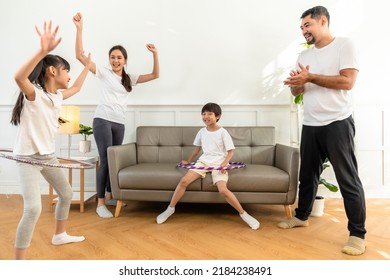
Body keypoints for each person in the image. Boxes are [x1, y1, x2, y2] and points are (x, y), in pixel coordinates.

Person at [281, 6, 366, 256]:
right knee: (307, 176)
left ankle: (357, 234)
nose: (304, 30)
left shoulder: (344, 45)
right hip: (311, 123)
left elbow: (347, 82)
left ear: (323, 21)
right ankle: (301, 216)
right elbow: (298, 91)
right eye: (301, 27)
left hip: (338, 122)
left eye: (308, 25)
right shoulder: (303, 57)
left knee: (347, 180)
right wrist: (296, 85)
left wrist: (309, 77)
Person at [11, 20, 92, 260]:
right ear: (53, 71)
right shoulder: (34, 93)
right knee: (33, 208)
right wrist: (42, 51)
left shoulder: (56, 97)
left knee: (66, 193)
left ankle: (59, 235)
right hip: (27, 157)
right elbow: (18, 77)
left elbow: (76, 88)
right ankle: (18, 263)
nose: (69, 75)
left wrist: (87, 66)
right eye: (67, 70)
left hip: (47, 155)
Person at [72, 12, 160, 218]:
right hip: (102, 120)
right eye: (112, 57)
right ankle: (100, 202)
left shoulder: (130, 78)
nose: (115, 60)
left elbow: (156, 75)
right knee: (105, 160)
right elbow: (79, 56)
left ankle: (111, 195)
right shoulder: (104, 72)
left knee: (114, 161)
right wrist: (79, 29)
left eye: (119, 57)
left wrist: (155, 53)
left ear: (125, 60)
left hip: (119, 123)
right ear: (109, 60)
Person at [156, 103, 260, 230]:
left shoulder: (223, 132)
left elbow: (231, 151)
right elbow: (197, 148)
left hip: (219, 163)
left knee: (223, 191)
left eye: (210, 114)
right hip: (203, 162)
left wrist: (223, 165)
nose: (206, 116)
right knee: (184, 181)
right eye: (204, 114)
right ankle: (170, 209)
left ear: (217, 116)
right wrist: (188, 161)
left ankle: (244, 214)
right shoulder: (201, 131)